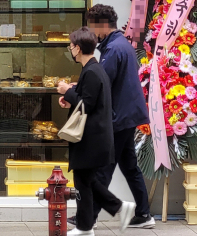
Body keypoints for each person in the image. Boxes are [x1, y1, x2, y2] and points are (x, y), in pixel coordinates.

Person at [67, 4, 154, 229]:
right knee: (129, 166)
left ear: (102, 26)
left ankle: (88, 218)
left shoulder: (113, 49)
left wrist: (72, 90)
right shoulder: (121, 45)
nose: (92, 33)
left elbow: (100, 84)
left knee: (101, 169)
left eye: (93, 26)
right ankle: (144, 214)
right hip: (129, 115)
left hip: (118, 117)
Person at [58, 27, 136, 236]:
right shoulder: (94, 69)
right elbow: (88, 102)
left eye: (71, 46)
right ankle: (88, 225)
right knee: (86, 181)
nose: (70, 49)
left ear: (77, 48)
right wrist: (70, 99)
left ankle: (113, 210)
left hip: (91, 138)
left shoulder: (92, 71)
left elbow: (87, 105)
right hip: (95, 137)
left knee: (85, 181)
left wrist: (68, 91)